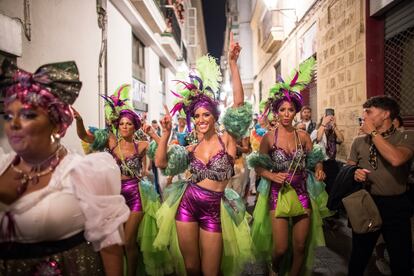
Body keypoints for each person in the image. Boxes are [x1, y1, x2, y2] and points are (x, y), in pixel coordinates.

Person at [0, 60, 129, 275]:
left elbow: (110, 247)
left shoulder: (86, 172)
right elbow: (85, 136)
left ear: (57, 124)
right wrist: (80, 122)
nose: (14, 124)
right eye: (8, 116)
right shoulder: (106, 136)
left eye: (28, 115)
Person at [151, 34, 253, 276]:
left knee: (211, 271)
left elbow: (238, 104)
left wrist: (233, 64)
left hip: (214, 209)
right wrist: (165, 135)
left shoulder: (227, 140)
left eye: (206, 115)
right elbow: (161, 163)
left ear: (215, 117)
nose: (201, 119)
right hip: (187, 204)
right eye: (196, 116)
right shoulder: (190, 148)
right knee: (191, 268)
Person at [74, 84, 170, 276]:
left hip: (135, 195)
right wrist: (79, 120)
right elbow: (84, 136)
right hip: (114, 195)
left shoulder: (141, 145)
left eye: (129, 124)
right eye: (122, 124)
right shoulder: (111, 141)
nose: (125, 127)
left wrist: (155, 133)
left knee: (128, 241)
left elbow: (163, 149)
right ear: (118, 126)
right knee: (116, 242)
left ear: (134, 126)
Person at [248, 57, 330, 276]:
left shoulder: (303, 136)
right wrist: (270, 176)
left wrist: (320, 167)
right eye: (282, 110)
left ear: (295, 112)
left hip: (302, 191)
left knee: (301, 245)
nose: (286, 114)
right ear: (277, 112)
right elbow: (258, 167)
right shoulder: (268, 139)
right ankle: (275, 267)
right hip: (278, 193)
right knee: (281, 247)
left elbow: (314, 160)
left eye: (290, 110)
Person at [347, 95, 414, 276]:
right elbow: (349, 168)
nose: (364, 116)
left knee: (401, 260)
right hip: (367, 204)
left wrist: (373, 133)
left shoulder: (407, 136)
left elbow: (396, 158)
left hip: (396, 206)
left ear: (386, 114)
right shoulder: (359, 141)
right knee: (358, 257)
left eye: (369, 112)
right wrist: (354, 173)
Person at [311, 114, 344, 194]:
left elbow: (341, 139)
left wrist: (334, 126)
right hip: (320, 164)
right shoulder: (316, 132)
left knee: (333, 189)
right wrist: (323, 124)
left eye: (330, 121)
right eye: (327, 121)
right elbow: (318, 139)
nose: (328, 123)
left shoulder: (333, 134)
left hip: (332, 164)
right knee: (322, 189)